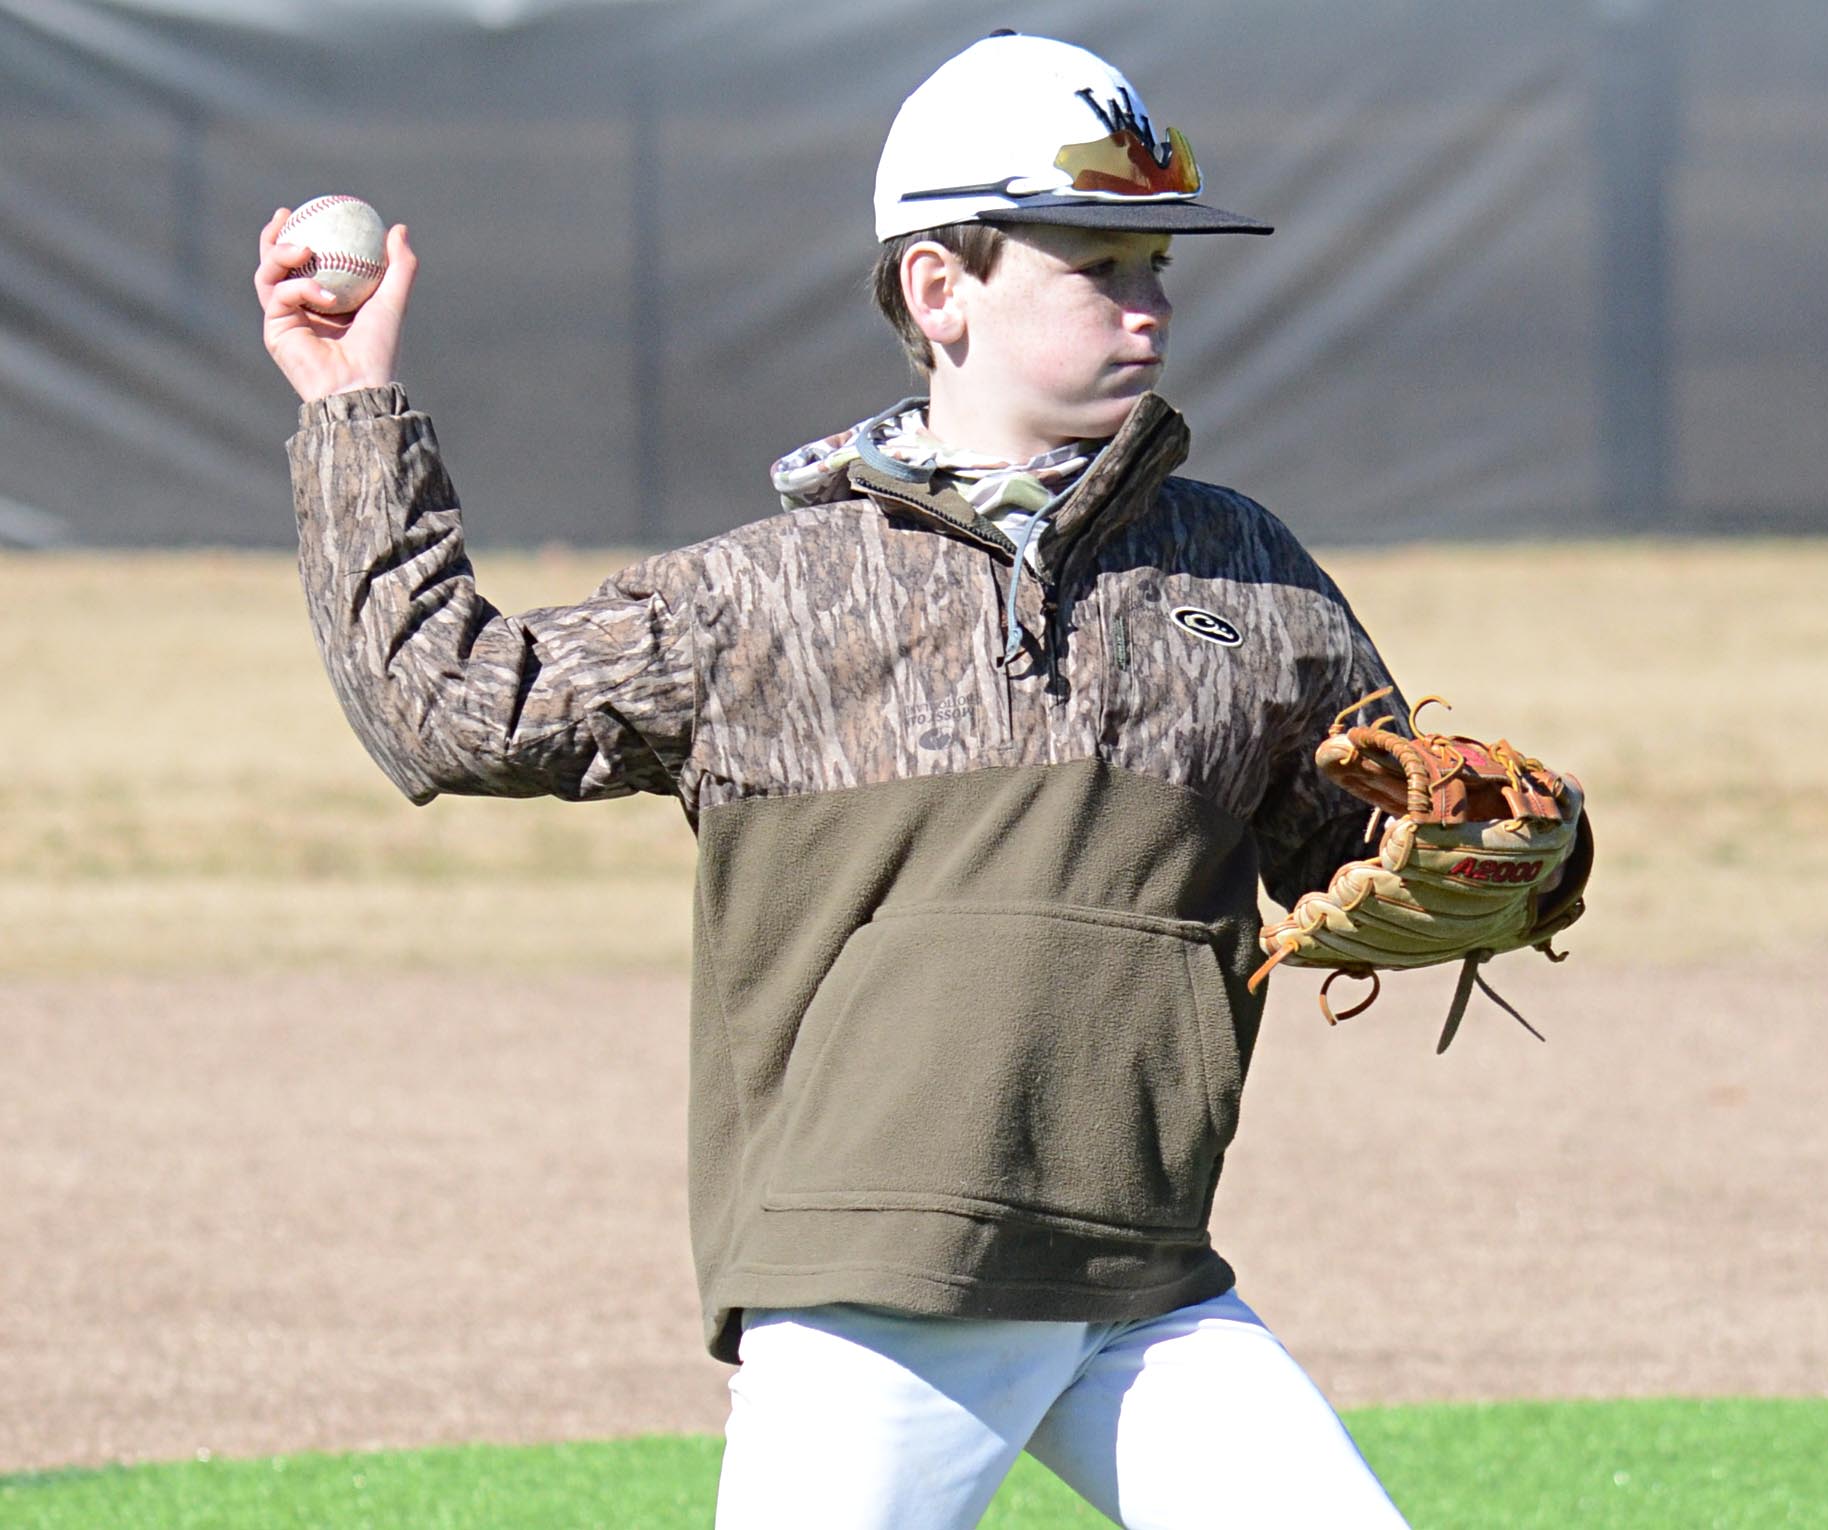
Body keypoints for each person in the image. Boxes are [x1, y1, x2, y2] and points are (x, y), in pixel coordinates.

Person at [257, 31, 1421, 1530]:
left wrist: (1514, 865)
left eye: (1158, 264)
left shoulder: (1241, 571)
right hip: (878, 1284)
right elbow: (452, 707)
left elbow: (1372, 853)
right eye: (1098, 263)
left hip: (1143, 1281)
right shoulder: (769, 598)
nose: (1150, 301)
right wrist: (352, 411)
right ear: (941, 289)